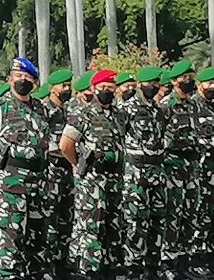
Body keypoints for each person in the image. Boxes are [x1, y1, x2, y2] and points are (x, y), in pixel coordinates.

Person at [0, 58, 49, 280]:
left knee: (36, 241)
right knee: (8, 242)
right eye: (19, 76)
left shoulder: (41, 109)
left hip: (38, 185)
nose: (23, 80)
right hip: (9, 187)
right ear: (10, 79)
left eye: (28, 77)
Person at [60, 68, 125, 279]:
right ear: (93, 89)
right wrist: (77, 164)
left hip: (115, 179)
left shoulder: (119, 115)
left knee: (113, 225)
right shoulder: (83, 114)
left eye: (110, 87)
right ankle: (89, 270)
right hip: (92, 180)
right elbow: (66, 145)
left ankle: (110, 268)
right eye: (103, 87)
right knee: (91, 227)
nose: (107, 91)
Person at [116, 66, 170, 280]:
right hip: (136, 171)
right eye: (150, 83)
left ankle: (152, 266)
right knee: (136, 221)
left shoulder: (158, 109)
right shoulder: (127, 109)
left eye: (156, 83)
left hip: (157, 169)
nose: (154, 87)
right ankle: (133, 267)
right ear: (140, 84)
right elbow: (119, 138)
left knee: (157, 219)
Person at [160, 60, 204, 280]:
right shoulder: (166, 105)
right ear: (175, 81)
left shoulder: (195, 105)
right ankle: (168, 262)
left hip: (192, 166)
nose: (189, 81)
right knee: (172, 214)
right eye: (184, 78)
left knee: (190, 214)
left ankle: (186, 261)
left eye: (191, 77)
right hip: (173, 166)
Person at [192, 66, 214, 278]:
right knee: (201, 216)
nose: (213, 87)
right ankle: (198, 260)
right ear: (200, 85)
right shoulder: (193, 106)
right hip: (202, 169)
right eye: (209, 84)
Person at [41, 68, 76, 279]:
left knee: (66, 219)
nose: (67, 89)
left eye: (68, 85)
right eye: (63, 85)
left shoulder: (70, 110)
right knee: (50, 221)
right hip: (51, 172)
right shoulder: (45, 111)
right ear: (52, 88)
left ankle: (63, 263)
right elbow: (43, 142)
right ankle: (49, 266)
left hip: (67, 173)